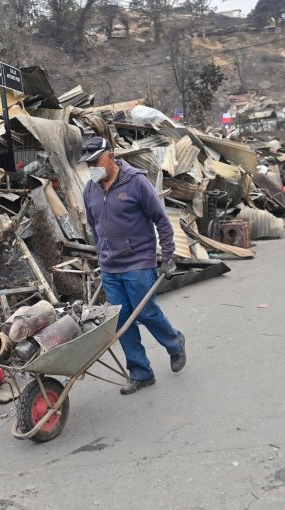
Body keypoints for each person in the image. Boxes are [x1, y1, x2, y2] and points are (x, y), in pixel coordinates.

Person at [80, 136, 186, 395]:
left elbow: (161, 220)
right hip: (109, 266)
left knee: (146, 312)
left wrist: (168, 256)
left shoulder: (136, 182)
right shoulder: (90, 189)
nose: (93, 166)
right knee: (121, 320)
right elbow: (94, 227)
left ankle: (175, 343)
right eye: (88, 163)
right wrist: (101, 253)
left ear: (111, 154)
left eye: (96, 160)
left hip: (138, 261)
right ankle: (141, 373)